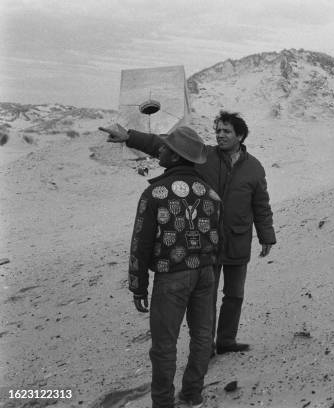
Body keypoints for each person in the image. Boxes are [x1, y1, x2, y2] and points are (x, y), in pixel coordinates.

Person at [101, 111, 276, 356]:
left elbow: (261, 205)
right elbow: (163, 145)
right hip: (208, 242)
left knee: (234, 295)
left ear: (240, 135)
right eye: (218, 130)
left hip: (238, 239)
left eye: (226, 131)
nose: (220, 135)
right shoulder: (204, 157)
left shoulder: (254, 168)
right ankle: (208, 347)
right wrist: (129, 136)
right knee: (208, 297)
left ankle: (227, 340)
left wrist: (266, 235)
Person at [111, 125, 220, 408]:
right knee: (202, 337)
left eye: (166, 147)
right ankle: (193, 394)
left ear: (175, 156)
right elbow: (215, 234)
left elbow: (141, 244)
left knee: (164, 346)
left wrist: (138, 286)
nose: (161, 149)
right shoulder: (209, 193)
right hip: (206, 272)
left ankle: (162, 402)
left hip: (172, 276)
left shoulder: (155, 193)